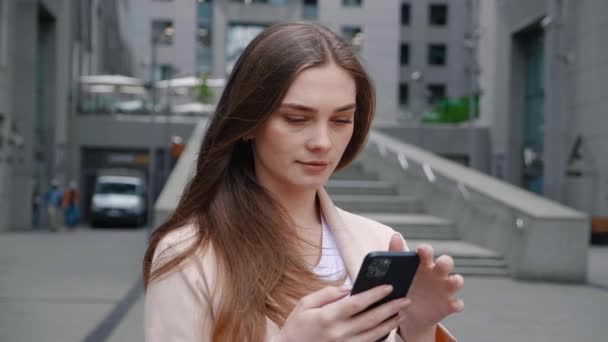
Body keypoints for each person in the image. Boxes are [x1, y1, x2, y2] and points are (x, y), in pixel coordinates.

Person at [143, 22, 464, 342]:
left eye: (341, 120)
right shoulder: (188, 255)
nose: (323, 142)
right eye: (297, 119)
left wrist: (418, 330)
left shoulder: (379, 241)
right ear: (249, 122)